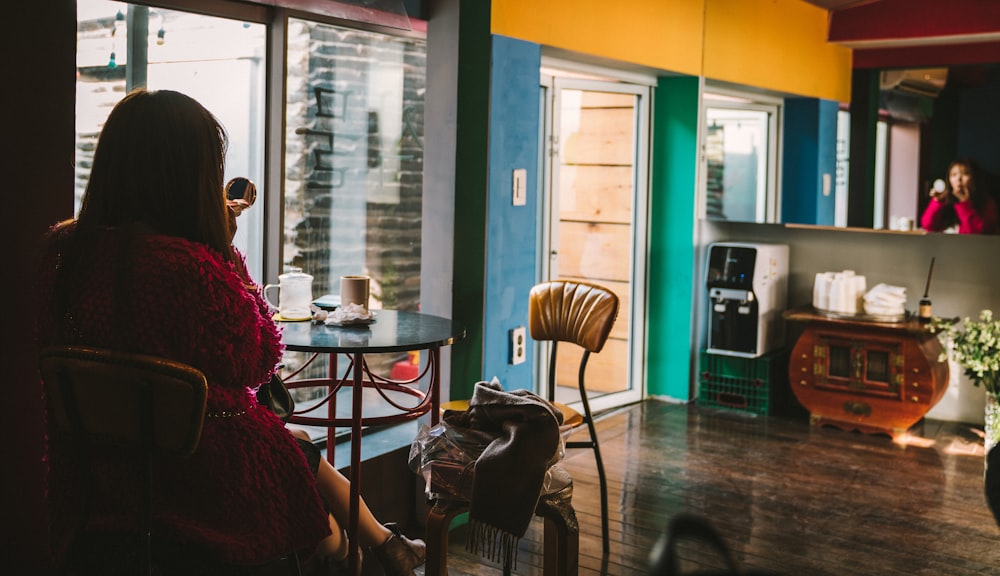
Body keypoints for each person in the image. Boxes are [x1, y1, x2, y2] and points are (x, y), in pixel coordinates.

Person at [37, 89, 424, 576]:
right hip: (201, 470)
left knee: (302, 464)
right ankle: (365, 547)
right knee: (306, 477)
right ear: (187, 175)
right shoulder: (190, 267)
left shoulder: (62, 251)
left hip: (96, 471)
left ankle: (371, 546)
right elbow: (259, 358)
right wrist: (226, 253)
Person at [920, 158, 998, 234]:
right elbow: (928, 226)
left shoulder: (987, 203)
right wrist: (937, 202)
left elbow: (974, 233)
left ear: (974, 178)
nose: (958, 179)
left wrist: (964, 203)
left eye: (965, 174)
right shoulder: (946, 201)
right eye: (954, 175)